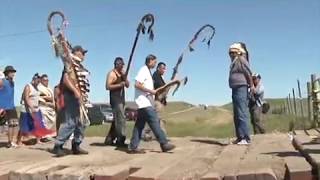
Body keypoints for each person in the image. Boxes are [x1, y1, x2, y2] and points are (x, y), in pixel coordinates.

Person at [128, 54, 175, 153]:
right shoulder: (143, 70)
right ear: (150, 61)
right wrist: (150, 91)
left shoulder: (147, 72)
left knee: (139, 126)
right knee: (155, 122)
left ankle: (133, 146)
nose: (155, 63)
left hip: (144, 102)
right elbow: (137, 84)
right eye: (154, 62)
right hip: (144, 102)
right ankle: (164, 143)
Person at [52, 45, 89, 157]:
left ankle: (76, 145)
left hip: (81, 97)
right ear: (76, 52)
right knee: (71, 121)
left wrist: (82, 94)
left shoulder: (79, 66)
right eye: (82, 52)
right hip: (71, 96)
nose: (84, 55)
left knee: (82, 122)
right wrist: (75, 91)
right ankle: (58, 145)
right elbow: (66, 80)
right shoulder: (69, 63)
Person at [228, 42, 254, 145]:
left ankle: (246, 138)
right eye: (230, 53)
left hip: (241, 88)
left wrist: (251, 86)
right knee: (236, 114)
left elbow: (248, 73)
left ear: (237, 52)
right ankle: (239, 137)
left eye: (232, 52)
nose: (231, 55)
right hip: (235, 88)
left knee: (241, 112)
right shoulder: (234, 62)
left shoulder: (241, 60)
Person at [17, 73, 53, 145]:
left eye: (39, 81)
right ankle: (19, 141)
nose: (38, 82)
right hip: (27, 109)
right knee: (23, 126)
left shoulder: (37, 88)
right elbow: (26, 98)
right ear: (34, 79)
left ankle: (38, 140)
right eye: (37, 80)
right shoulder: (28, 86)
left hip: (36, 109)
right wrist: (31, 107)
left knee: (39, 124)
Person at [104, 57, 129, 147]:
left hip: (122, 99)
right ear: (117, 64)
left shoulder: (122, 74)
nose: (123, 66)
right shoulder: (112, 74)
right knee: (121, 120)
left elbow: (128, 85)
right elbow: (107, 86)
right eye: (121, 64)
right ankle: (120, 139)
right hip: (115, 99)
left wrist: (124, 78)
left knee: (117, 120)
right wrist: (119, 85)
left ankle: (109, 139)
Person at [142, 62, 168, 141]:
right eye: (163, 68)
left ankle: (162, 136)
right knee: (156, 118)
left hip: (160, 101)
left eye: (165, 69)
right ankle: (145, 133)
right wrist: (167, 86)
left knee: (159, 119)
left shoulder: (159, 77)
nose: (164, 70)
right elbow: (159, 87)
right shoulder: (155, 76)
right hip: (156, 101)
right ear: (158, 68)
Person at [0, 66, 19, 148]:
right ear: (7, 73)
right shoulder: (2, 82)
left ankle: (10, 142)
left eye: (13, 72)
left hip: (11, 106)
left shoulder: (12, 83)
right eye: (11, 72)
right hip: (2, 107)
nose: (13, 74)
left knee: (13, 125)